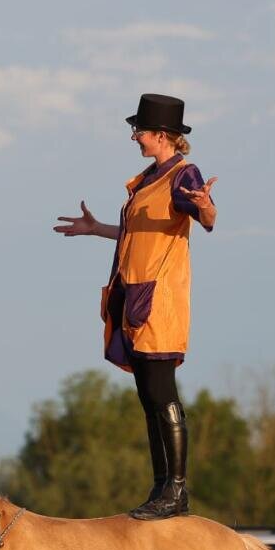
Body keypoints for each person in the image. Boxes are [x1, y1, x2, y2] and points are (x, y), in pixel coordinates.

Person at [54, 93, 217, 520]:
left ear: (163, 136)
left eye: (139, 131)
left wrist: (206, 208)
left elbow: (204, 216)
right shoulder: (148, 179)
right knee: (148, 397)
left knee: (162, 393)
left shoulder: (183, 175)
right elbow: (138, 234)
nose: (134, 137)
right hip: (135, 299)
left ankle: (177, 489)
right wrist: (96, 229)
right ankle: (161, 484)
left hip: (159, 302)